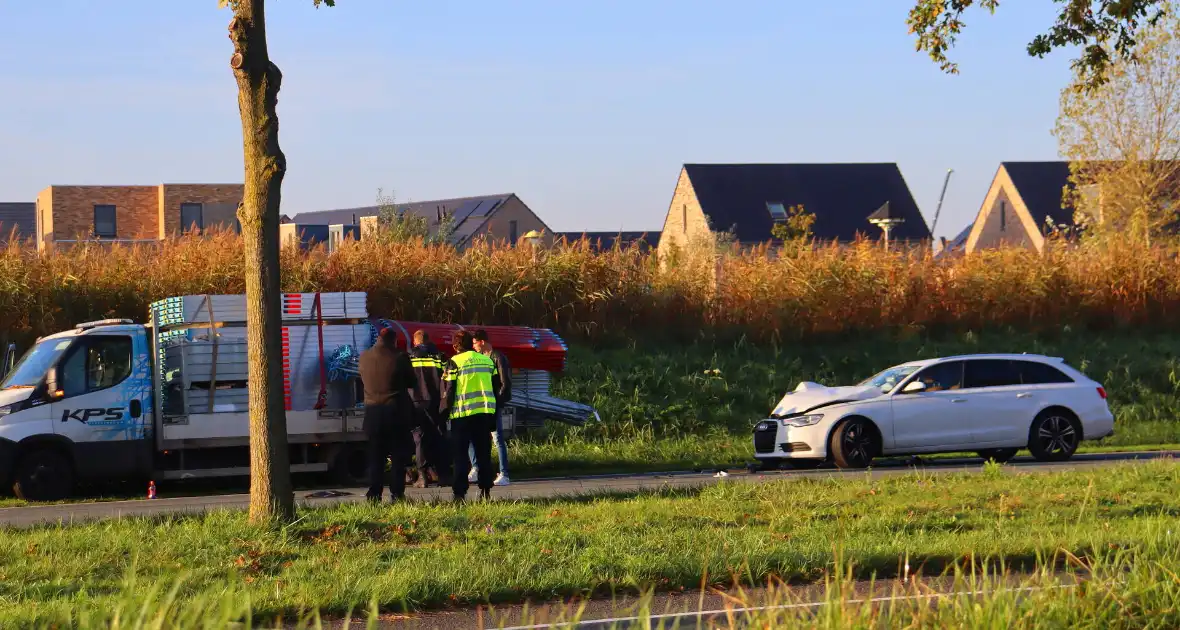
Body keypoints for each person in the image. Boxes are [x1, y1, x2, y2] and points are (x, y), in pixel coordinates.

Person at [357, 327, 417, 503]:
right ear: (394, 340)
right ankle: (397, 494)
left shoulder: (364, 357)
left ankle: (374, 494)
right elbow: (412, 382)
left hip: (373, 415)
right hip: (396, 414)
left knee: (376, 457)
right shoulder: (400, 357)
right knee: (398, 457)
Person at [441, 330, 501, 502]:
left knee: (460, 456)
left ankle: (459, 494)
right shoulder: (487, 361)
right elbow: (496, 388)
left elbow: (448, 391)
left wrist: (443, 413)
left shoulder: (453, 362)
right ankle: (485, 491)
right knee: (483, 455)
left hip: (462, 415)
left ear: (455, 346)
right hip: (484, 414)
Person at [468, 329, 513, 486]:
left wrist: (497, 401)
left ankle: (504, 473)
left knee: (497, 438)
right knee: (473, 436)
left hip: (493, 404)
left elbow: (505, 382)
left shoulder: (498, 357)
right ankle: (476, 468)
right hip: (482, 403)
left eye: (474, 343)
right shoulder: (480, 358)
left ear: (481, 342)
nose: (473, 347)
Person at [408, 329, 450, 487]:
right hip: (436, 401)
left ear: (415, 341)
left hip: (416, 401)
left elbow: (405, 377)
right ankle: (443, 475)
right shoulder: (440, 355)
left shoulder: (410, 355)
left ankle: (422, 475)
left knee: (420, 438)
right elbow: (447, 378)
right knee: (440, 437)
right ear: (428, 339)